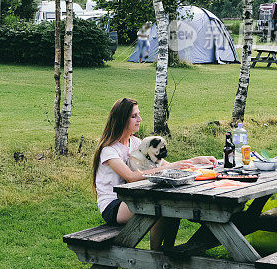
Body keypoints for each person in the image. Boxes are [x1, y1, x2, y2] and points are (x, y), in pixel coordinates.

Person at [92, 98, 216, 250]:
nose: (140, 119)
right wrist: (168, 168)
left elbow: (165, 166)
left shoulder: (136, 143)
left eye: (139, 114)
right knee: (159, 206)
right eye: (134, 116)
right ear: (121, 119)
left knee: (171, 206)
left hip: (131, 198)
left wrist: (195, 160)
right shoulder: (109, 150)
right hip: (114, 205)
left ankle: (168, 252)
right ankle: (155, 257)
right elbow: (131, 176)